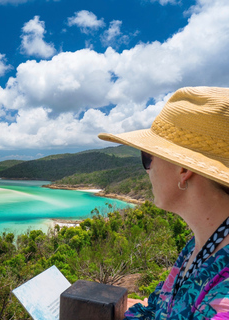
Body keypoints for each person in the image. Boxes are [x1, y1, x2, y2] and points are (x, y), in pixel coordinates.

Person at [98, 86, 229, 319]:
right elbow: (159, 310)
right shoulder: (199, 246)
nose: (147, 171)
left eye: (148, 158)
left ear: (184, 169)